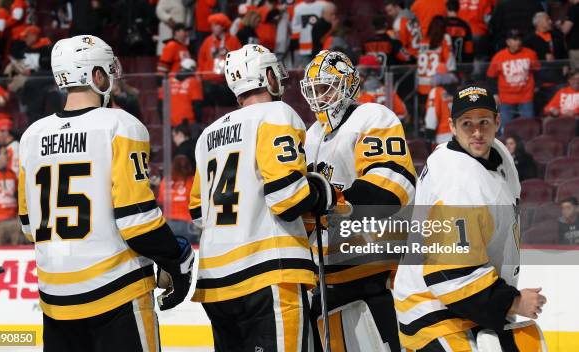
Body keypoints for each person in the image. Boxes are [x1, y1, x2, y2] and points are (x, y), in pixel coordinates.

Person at [18, 35, 194, 351]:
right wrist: (177, 258)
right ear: (95, 75)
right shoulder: (121, 125)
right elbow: (137, 222)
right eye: (106, 70)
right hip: (116, 293)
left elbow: (29, 227)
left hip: (54, 299)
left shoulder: (31, 136)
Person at [189, 44, 335, 351]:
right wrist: (323, 192)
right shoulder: (277, 113)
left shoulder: (208, 134)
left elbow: (198, 212)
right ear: (268, 75)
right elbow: (287, 197)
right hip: (267, 272)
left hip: (215, 281)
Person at [394, 84, 547, 351]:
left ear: (498, 122)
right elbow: (451, 273)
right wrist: (514, 301)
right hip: (434, 311)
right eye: (467, 124)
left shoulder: (497, 155)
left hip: (463, 305)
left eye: (484, 122)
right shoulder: (457, 182)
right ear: (452, 126)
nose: (477, 132)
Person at [301, 50, 416, 351]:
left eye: (326, 87)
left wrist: (333, 203)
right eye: (314, 89)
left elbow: (390, 189)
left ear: (348, 84)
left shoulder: (372, 117)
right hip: (327, 277)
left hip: (374, 272)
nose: (319, 96)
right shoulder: (311, 134)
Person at [487, 29, 540, 130]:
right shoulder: (499, 57)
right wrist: (495, 94)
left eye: (519, 39)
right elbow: (490, 77)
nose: (518, 42)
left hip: (526, 96)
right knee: (505, 128)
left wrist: (536, 87)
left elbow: (537, 71)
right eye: (515, 39)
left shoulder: (531, 54)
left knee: (529, 127)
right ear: (508, 42)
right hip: (506, 97)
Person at [524, 12, 567, 113]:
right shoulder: (529, 40)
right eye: (547, 20)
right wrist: (541, 58)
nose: (550, 22)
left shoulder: (556, 36)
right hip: (539, 82)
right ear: (538, 23)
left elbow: (564, 53)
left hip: (557, 80)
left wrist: (565, 65)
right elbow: (526, 61)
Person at [197, 13, 241, 106]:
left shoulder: (233, 40)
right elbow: (201, 59)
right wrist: (199, 75)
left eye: (216, 25)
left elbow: (239, 59)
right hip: (208, 81)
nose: (213, 28)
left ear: (223, 26)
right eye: (212, 25)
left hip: (226, 82)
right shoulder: (207, 41)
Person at [157, 155, 199, 243]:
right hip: (187, 224)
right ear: (189, 166)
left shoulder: (165, 181)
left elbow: (160, 201)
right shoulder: (192, 180)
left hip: (168, 225)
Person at [425, 65, 458, 145]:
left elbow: (432, 115)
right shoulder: (455, 91)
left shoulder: (436, 91)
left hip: (442, 136)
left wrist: (429, 134)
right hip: (457, 133)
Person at [291, 0, 327, 68]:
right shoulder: (298, 8)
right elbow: (294, 27)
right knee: (307, 72)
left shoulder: (323, 5)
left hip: (321, 45)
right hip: (304, 46)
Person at [445, 0, 474, 64]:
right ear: (458, 9)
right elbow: (469, 47)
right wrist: (468, 63)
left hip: (445, 63)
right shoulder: (465, 25)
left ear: (446, 8)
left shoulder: (442, 24)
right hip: (460, 62)